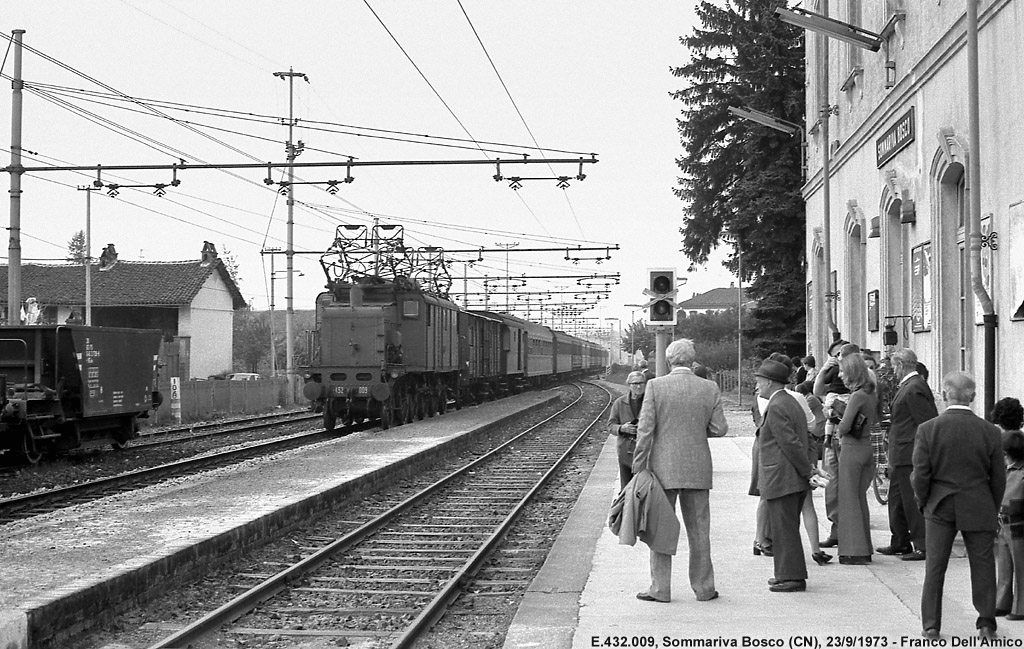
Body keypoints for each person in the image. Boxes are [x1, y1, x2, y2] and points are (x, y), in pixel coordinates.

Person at [631, 338, 728, 603]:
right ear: (692, 360)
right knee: (699, 531)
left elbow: (645, 431)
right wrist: (696, 431)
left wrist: (639, 466)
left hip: (662, 469)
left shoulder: (655, 386)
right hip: (697, 468)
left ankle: (660, 589)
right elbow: (720, 429)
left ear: (669, 360)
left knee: (659, 529)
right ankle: (704, 588)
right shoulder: (709, 388)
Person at [913, 371, 1006, 640]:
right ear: (974, 397)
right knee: (983, 564)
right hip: (978, 502)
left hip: (940, 504)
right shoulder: (990, 432)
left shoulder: (928, 429)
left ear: (943, 395)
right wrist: (992, 506)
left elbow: (921, 474)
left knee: (935, 567)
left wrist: (923, 501)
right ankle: (986, 623)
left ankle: (931, 625)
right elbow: (998, 478)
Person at [754, 359, 813, 592]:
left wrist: (807, 470)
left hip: (782, 476)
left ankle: (791, 577)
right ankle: (786, 573)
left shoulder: (778, 405)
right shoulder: (788, 400)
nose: (757, 386)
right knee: (785, 526)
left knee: (784, 528)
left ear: (769, 382)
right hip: (789, 476)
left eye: (759, 381)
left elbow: (790, 443)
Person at [877, 348, 937, 561]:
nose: (893, 371)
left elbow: (926, 422)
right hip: (900, 451)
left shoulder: (914, 388)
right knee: (896, 500)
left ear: (902, 365)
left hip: (909, 452)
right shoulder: (909, 387)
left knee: (911, 500)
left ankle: (922, 544)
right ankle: (900, 541)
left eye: (894, 367)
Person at [834, 352, 879, 565]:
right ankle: (864, 547)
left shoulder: (857, 395)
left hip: (852, 448)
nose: (841, 376)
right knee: (860, 498)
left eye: (843, 371)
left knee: (849, 499)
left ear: (851, 372)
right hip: (867, 446)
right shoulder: (871, 393)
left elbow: (844, 427)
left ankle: (853, 549)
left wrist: (833, 415)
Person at [813, 338, 857, 547]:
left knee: (849, 484)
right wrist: (824, 369)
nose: (838, 358)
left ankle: (849, 531)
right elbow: (817, 391)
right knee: (832, 483)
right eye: (834, 355)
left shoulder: (859, 376)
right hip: (832, 432)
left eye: (840, 353)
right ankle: (836, 527)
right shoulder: (832, 371)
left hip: (846, 433)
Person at [993, 398, 1024, 620]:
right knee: (1004, 561)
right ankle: (1003, 601)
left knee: (1019, 564)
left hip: (1016, 516)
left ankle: (1019, 607)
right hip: (1004, 516)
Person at [608, 371, 647, 490]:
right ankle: (626, 508)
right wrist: (621, 428)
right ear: (629, 384)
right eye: (635, 383)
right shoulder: (620, 403)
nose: (639, 386)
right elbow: (610, 425)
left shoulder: (650, 402)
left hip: (645, 451)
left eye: (641, 383)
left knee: (643, 487)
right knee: (626, 488)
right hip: (625, 451)